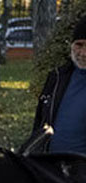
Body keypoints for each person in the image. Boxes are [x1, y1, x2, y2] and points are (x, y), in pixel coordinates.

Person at [29, 15, 86, 154]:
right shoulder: (57, 78)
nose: (83, 53)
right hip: (50, 166)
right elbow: (39, 122)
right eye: (79, 45)